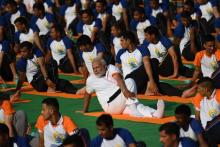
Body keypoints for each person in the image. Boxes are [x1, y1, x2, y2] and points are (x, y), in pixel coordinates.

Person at [82, 57, 165, 118]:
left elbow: (119, 78)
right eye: (93, 68)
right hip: (110, 106)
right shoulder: (91, 79)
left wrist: (125, 91)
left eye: (97, 67)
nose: (95, 70)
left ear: (104, 66)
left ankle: (154, 114)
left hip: (121, 101)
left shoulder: (110, 68)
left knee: (136, 105)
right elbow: (87, 94)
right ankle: (133, 109)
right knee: (129, 81)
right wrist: (84, 110)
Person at [10, 41, 77, 101]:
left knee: (64, 82)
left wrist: (47, 79)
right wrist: (17, 89)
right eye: (21, 51)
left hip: (44, 77)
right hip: (37, 83)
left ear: (30, 51)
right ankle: (52, 86)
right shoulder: (21, 62)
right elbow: (21, 78)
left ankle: (76, 91)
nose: (22, 54)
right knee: (50, 65)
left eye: (24, 51)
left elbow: (42, 65)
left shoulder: (37, 52)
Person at [192, 77, 220, 146]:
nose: (197, 91)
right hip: (206, 130)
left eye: (199, 88)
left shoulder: (218, 95)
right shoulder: (199, 98)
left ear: (206, 89)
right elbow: (197, 118)